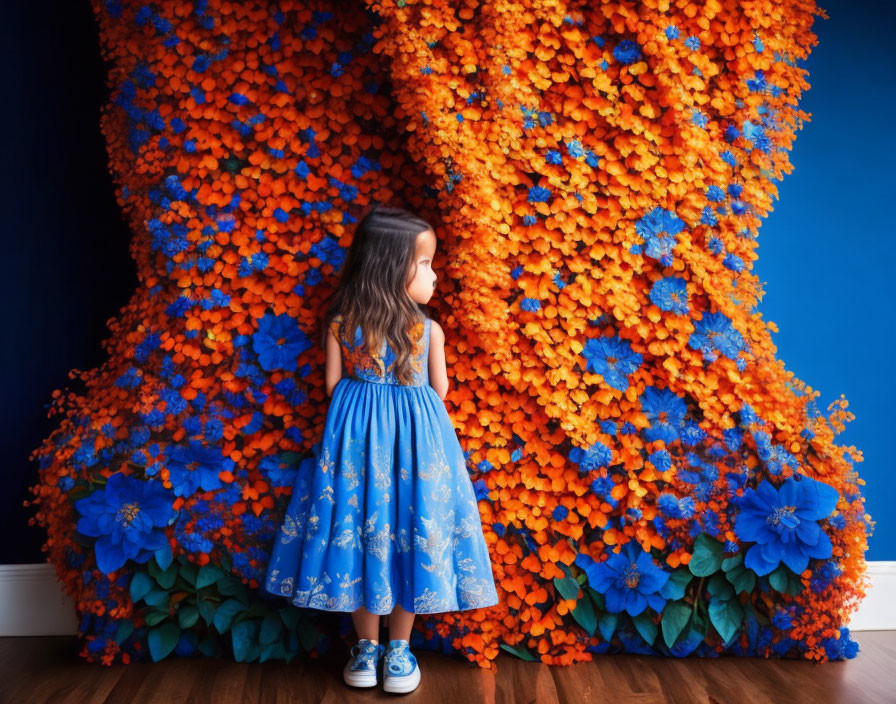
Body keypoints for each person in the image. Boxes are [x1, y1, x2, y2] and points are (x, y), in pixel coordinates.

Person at [263, 204, 500, 693]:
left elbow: (333, 386)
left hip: (356, 449)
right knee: (411, 533)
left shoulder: (342, 325)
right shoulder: (427, 331)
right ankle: (398, 652)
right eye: (427, 263)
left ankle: (366, 650)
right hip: (417, 449)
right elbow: (441, 390)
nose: (434, 275)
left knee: (360, 535)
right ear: (394, 268)